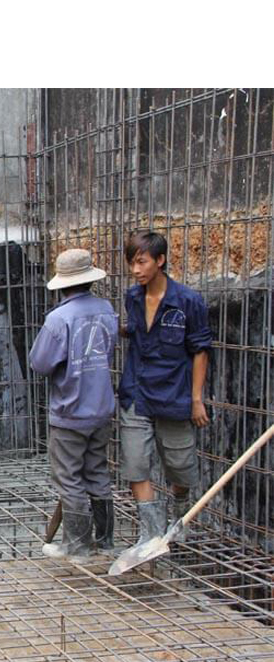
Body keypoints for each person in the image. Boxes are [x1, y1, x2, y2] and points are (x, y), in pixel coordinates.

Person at [119, 230, 211, 544]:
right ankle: (150, 537)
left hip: (174, 395)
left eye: (141, 262)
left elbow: (200, 351)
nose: (135, 270)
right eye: (132, 263)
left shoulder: (188, 301)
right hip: (137, 393)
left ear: (160, 260)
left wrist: (196, 399)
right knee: (135, 465)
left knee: (181, 468)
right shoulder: (133, 298)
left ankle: (179, 516)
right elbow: (135, 333)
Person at [28, 249, 118, 561]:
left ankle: (77, 546)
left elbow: (40, 363)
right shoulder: (106, 309)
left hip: (70, 410)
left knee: (69, 479)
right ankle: (105, 542)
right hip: (101, 408)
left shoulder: (59, 318)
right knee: (97, 474)